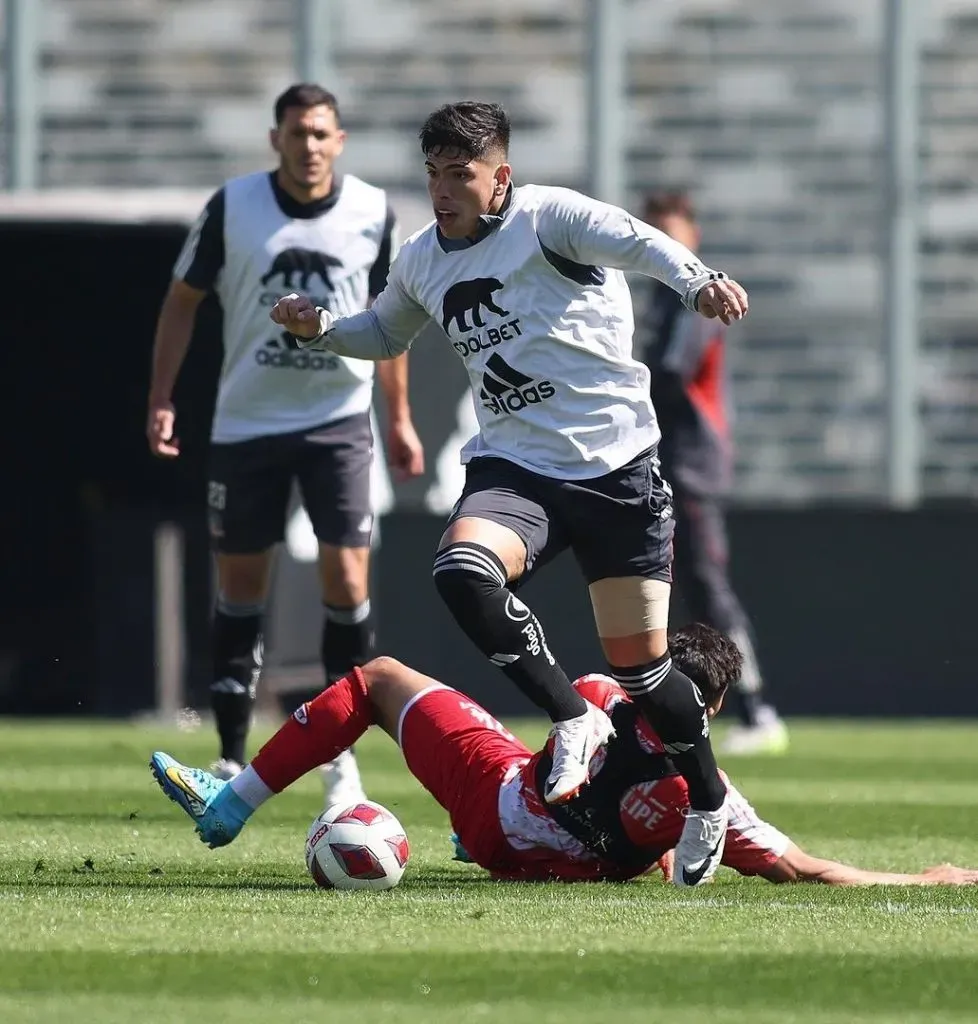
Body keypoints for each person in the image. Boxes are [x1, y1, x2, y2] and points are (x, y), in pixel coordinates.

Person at [269, 100, 749, 885]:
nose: (443, 191)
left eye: (460, 174)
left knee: (647, 677)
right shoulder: (423, 258)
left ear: (501, 178)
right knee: (462, 571)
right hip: (517, 470)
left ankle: (706, 797)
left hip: (617, 468)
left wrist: (698, 281)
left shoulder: (550, 218)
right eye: (433, 174)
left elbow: (640, 242)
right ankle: (572, 716)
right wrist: (321, 328)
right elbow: (383, 334)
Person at [149, 624, 978, 888]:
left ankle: (230, 805)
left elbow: (564, 747)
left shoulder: (601, 690)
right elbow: (802, 868)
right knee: (649, 854)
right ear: (714, 709)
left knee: (377, 679)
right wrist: (925, 879)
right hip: (539, 862)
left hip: (496, 801)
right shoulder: (713, 798)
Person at [146, 82, 425, 808]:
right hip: (248, 423)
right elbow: (182, 300)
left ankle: (340, 756)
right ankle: (232, 754)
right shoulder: (233, 206)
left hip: (338, 421)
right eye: (297, 133)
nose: (310, 146)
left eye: (322, 133)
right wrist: (161, 398)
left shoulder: (372, 212)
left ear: (341, 141)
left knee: (349, 580)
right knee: (241, 587)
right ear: (276, 139)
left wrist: (398, 418)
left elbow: (391, 323)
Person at [638, 190, 787, 755]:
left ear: (693, 236)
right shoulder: (657, 298)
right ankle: (682, 704)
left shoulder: (695, 295)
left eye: (674, 232)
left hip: (692, 461)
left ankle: (756, 707)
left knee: (705, 582)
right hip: (664, 456)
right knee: (668, 582)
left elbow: (672, 375)